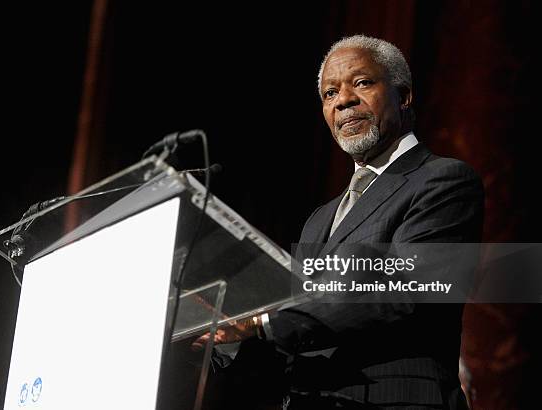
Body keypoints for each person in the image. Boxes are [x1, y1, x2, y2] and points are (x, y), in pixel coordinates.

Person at [195, 35, 484, 409]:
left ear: (404, 96)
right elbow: (300, 324)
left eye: (362, 83)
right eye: (330, 93)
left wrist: (264, 323)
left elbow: (408, 290)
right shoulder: (320, 219)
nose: (343, 100)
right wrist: (227, 335)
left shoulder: (442, 180)